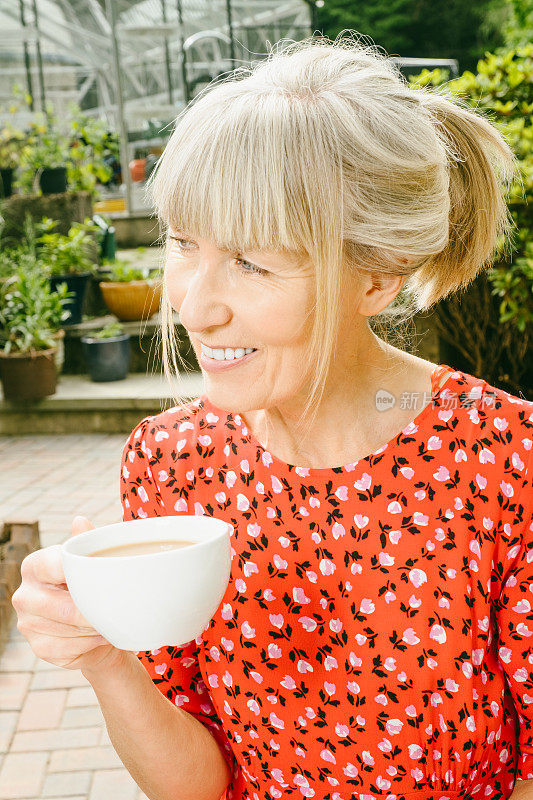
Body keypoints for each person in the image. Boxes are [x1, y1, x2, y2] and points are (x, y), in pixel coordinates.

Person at [12, 34, 533, 800]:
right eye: (183, 244)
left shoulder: (503, 458)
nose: (194, 302)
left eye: (253, 262)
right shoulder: (168, 463)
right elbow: (197, 784)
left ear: (377, 278)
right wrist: (102, 657)